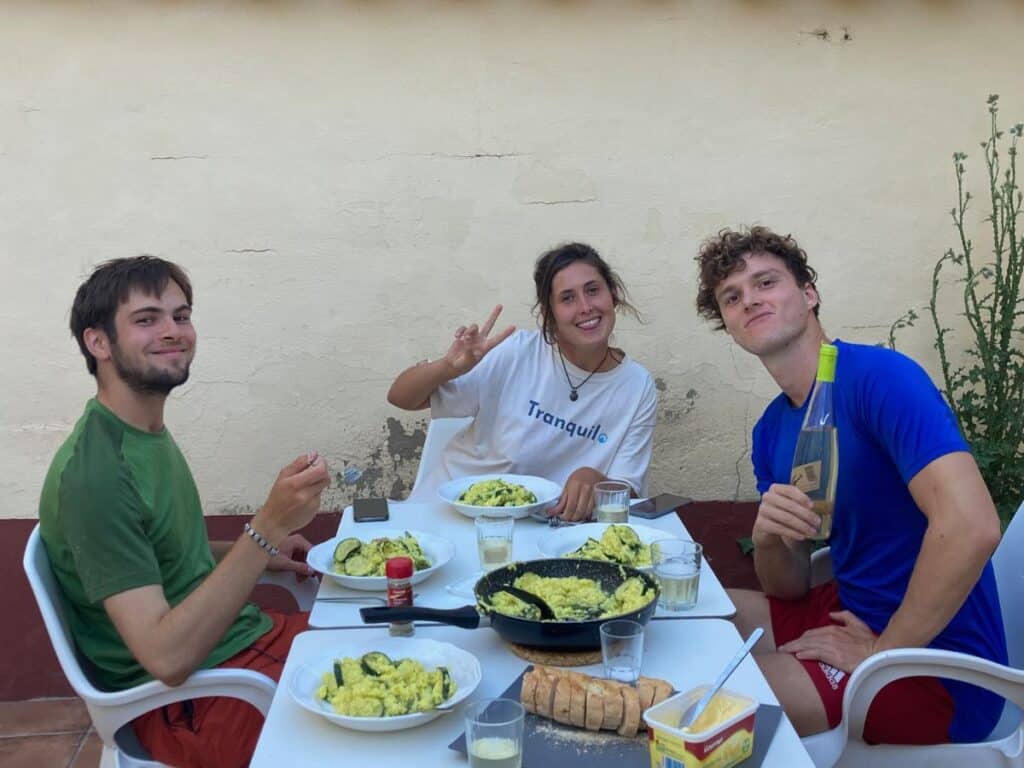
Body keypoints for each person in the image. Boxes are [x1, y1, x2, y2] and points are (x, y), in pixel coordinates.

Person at [694, 226, 1006, 744]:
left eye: (765, 282)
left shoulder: (880, 378)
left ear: (809, 294)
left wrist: (883, 658)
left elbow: (972, 526)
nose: (749, 300)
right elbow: (788, 586)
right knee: (687, 618)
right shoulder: (772, 428)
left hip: (936, 669)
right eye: (733, 297)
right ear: (728, 325)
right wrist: (770, 537)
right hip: (847, 610)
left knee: (700, 693)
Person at [39, 256, 331, 768]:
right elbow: (166, 658)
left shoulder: (141, 432)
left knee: (393, 638)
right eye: (147, 319)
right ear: (98, 342)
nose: (173, 332)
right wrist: (265, 528)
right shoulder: (97, 476)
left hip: (239, 647)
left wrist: (264, 552)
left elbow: (162, 553)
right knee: (397, 725)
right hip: (188, 704)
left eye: (181, 315)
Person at [388, 242, 657, 521]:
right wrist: (447, 368)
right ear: (549, 314)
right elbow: (400, 397)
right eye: (567, 298)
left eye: (593, 290)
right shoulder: (516, 352)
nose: (585, 307)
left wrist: (597, 480)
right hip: (448, 514)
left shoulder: (637, 386)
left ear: (612, 294)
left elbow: (628, 490)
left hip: (540, 532)